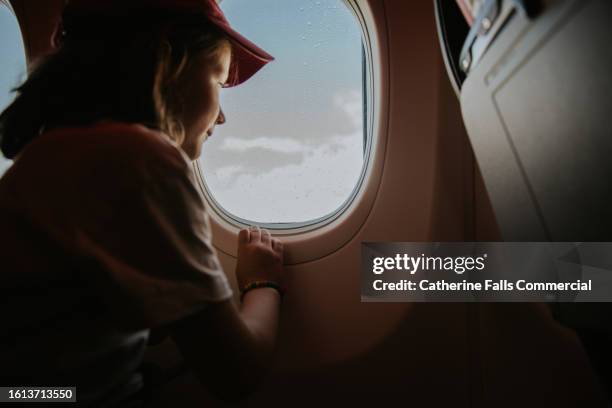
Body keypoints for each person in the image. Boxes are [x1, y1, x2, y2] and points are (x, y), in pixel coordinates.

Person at [0, 0, 285, 406]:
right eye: (219, 83)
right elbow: (236, 372)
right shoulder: (139, 160)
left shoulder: (54, 155)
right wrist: (263, 283)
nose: (221, 118)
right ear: (167, 62)